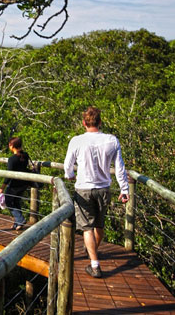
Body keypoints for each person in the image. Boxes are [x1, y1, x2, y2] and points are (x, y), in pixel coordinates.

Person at [64, 107, 129, 278]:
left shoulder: (76, 141)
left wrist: (69, 175)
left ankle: (94, 265)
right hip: (103, 188)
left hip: (83, 189)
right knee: (99, 226)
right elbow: (120, 168)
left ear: (84, 123)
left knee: (87, 228)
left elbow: (67, 166)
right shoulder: (111, 140)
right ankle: (92, 251)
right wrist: (124, 189)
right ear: (100, 122)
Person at [0, 137, 31, 231]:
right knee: (16, 202)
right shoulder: (25, 155)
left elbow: (9, 175)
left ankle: (20, 219)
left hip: (14, 185)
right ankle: (17, 223)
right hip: (23, 184)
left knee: (8, 201)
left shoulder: (12, 159)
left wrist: (2, 188)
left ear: (11, 146)